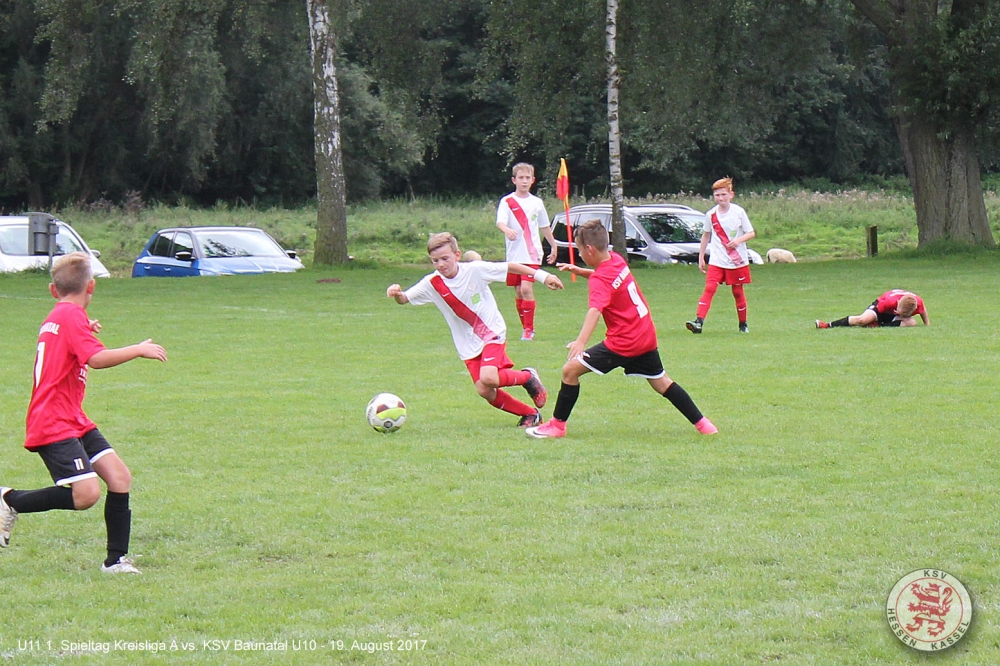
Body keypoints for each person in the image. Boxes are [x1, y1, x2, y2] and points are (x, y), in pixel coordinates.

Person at [0, 252, 167, 574]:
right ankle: (10, 500)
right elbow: (96, 359)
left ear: (53, 289)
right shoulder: (70, 316)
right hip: (53, 421)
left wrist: (84, 329)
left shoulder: (60, 316)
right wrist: (138, 349)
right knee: (86, 494)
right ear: (91, 286)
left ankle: (115, 561)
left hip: (72, 417)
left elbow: (66, 346)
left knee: (119, 477)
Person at [525, 220, 717, 439]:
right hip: (645, 335)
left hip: (624, 342)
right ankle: (704, 425)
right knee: (662, 382)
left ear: (589, 249)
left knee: (570, 371)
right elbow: (609, 280)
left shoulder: (600, 279)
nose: (580, 255)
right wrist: (582, 271)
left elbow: (595, 310)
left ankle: (557, 426)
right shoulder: (616, 260)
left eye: (580, 250)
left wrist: (580, 342)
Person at [387, 232, 563, 428]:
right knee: (484, 390)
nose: (441, 264)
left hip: (491, 331)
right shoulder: (431, 283)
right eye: (435, 261)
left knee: (488, 377)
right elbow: (404, 299)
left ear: (457, 255)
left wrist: (544, 276)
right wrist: (397, 293)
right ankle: (530, 414)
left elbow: (511, 266)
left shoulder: (475, 270)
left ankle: (527, 377)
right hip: (466, 343)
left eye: (445, 258)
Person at [495, 162, 558, 341]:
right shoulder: (507, 201)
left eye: (527, 178)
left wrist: (553, 245)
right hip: (514, 255)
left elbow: (544, 225)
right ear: (514, 180)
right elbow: (500, 222)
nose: (524, 181)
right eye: (521, 178)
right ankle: (525, 327)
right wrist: (506, 230)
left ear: (533, 180)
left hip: (532, 253)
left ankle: (529, 330)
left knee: (526, 288)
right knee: (518, 292)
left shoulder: (536, 203)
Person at [686, 177, 756, 334]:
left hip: (736, 260)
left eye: (724, 194)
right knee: (710, 288)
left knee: (737, 292)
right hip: (717, 260)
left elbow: (750, 233)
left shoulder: (738, 212)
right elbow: (706, 235)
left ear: (731, 195)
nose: (720, 198)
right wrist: (701, 256)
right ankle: (698, 322)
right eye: (717, 195)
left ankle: (743, 324)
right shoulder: (711, 214)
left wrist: (737, 241)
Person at [816, 289, 930, 328]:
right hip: (880, 308)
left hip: (891, 314)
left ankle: (877, 326)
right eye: (898, 311)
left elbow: (923, 311)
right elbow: (879, 314)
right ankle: (828, 325)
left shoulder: (918, 303)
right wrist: (872, 320)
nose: (899, 314)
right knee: (862, 320)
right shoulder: (888, 301)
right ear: (898, 303)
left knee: (912, 323)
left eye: (902, 314)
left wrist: (927, 325)